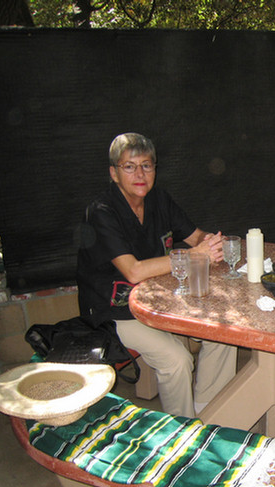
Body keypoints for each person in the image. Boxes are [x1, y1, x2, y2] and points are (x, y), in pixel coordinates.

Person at [76, 132, 237, 418]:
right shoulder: (102, 212)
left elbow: (195, 236)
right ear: (114, 173)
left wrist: (212, 242)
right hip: (115, 309)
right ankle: (184, 429)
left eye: (147, 166)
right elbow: (134, 270)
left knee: (224, 333)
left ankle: (208, 410)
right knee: (176, 359)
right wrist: (197, 254)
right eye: (129, 166)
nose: (140, 174)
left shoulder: (159, 200)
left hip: (162, 299)